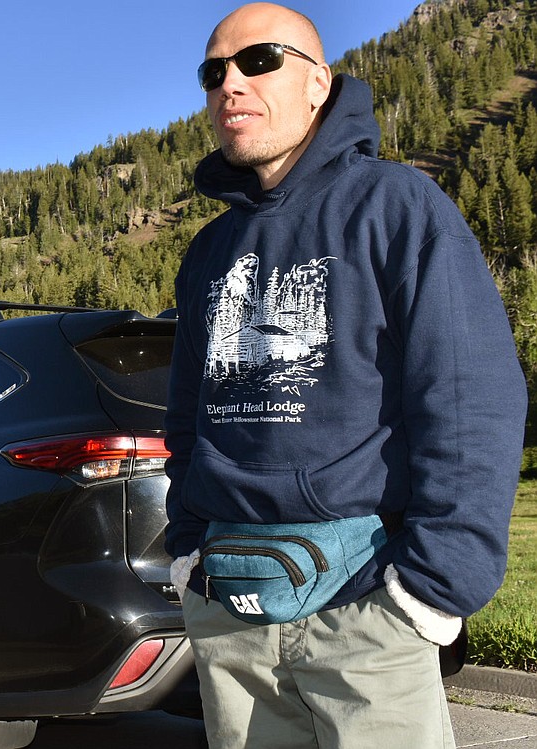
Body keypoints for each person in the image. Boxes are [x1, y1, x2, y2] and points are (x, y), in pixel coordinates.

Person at [163, 3, 528, 748]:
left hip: (365, 611)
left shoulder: (398, 208)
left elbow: (470, 400)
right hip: (230, 613)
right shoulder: (208, 251)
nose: (230, 82)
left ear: (318, 84)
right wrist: (189, 550)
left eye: (258, 60)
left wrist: (429, 591)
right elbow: (185, 420)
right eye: (213, 72)